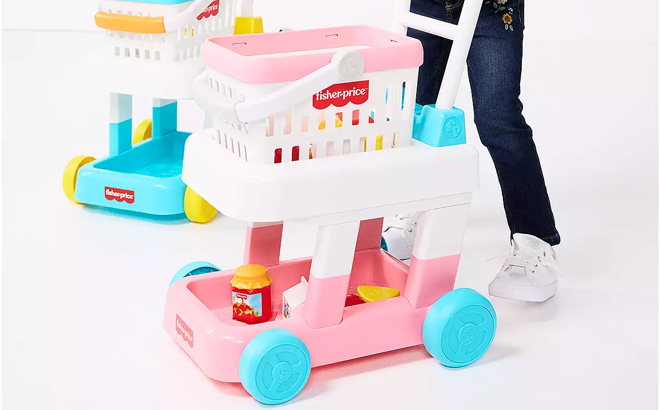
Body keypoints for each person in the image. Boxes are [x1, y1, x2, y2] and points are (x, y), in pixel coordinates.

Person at [382, 0, 561, 302]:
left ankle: (535, 239)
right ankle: (412, 208)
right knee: (410, 109)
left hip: (492, 9)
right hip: (430, 4)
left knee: (497, 118)